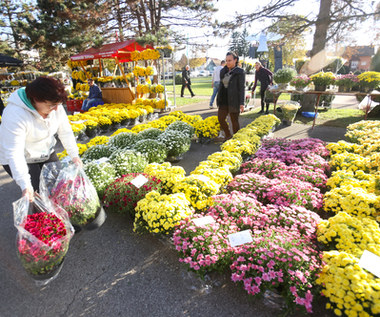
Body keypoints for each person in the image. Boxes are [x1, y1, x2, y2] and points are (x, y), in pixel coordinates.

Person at [0, 76, 82, 201]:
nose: (56, 109)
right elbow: (15, 153)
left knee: (59, 189)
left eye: (58, 105)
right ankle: (45, 218)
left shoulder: (55, 106)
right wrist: (25, 185)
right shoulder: (15, 114)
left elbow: (65, 132)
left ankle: (62, 217)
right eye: (52, 105)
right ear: (36, 100)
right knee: (39, 195)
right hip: (23, 156)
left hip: (46, 150)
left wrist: (74, 155)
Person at [216, 51, 245, 141]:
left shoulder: (240, 72)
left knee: (234, 121)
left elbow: (241, 88)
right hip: (223, 100)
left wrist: (241, 103)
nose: (227, 62)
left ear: (235, 60)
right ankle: (228, 135)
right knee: (220, 118)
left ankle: (237, 140)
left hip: (234, 100)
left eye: (230, 60)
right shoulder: (223, 71)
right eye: (226, 60)